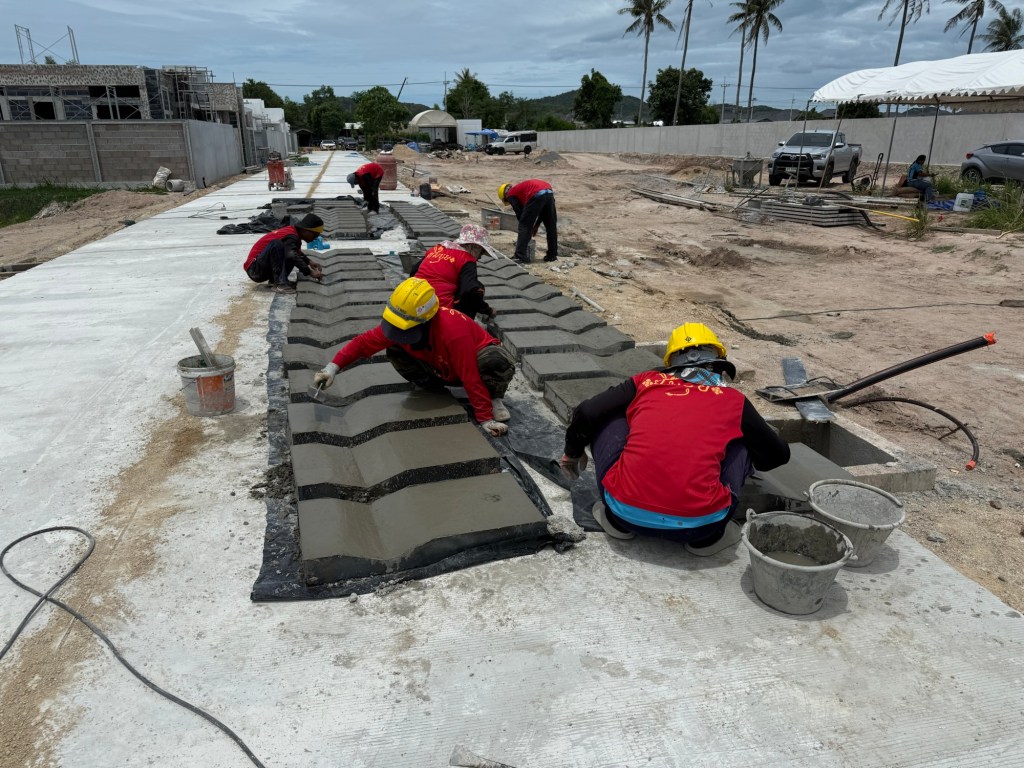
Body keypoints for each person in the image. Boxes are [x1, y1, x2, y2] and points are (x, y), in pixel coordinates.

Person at [559, 322, 790, 555]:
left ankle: (616, 521)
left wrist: (572, 452)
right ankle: (709, 541)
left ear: (671, 362)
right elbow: (777, 455)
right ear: (718, 361)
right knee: (742, 441)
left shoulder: (647, 381)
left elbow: (587, 411)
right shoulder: (733, 400)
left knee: (609, 417)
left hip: (622, 514)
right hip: (701, 529)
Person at [312, 277, 517, 436]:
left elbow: (469, 374)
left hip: (475, 364)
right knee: (395, 350)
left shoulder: (453, 331)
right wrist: (332, 368)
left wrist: (484, 418)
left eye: (406, 330)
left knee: (496, 360)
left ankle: (493, 397)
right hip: (440, 365)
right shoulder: (400, 321)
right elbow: (362, 344)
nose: (399, 333)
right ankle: (434, 388)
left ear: (426, 320)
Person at [410, 223, 499, 320]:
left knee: (464, 284)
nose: (480, 257)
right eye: (482, 252)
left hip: (414, 301)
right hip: (438, 311)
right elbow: (471, 292)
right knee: (477, 288)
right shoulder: (466, 259)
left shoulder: (436, 249)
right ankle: (463, 323)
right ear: (474, 246)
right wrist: (488, 310)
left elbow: (414, 271)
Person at [243, 213, 324, 294]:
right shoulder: (292, 236)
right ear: (306, 230)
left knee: (291, 252)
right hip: (254, 269)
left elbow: (295, 252)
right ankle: (280, 284)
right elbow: (292, 255)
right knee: (278, 245)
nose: (315, 238)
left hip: (260, 266)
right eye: (314, 235)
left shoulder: (294, 234)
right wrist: (310, 272)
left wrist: (309, 262)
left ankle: (275, 281)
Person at [498, 179, 558, 263]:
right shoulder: (520, 190)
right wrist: (536, 225)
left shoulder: (510, 194)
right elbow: (543, 213)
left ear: (505, 196)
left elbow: (520, 214)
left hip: (536, 194)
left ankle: (519, 256)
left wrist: (526, 230)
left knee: (524, 226)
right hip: (549, 192)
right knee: (551, 226)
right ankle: (552, 255)